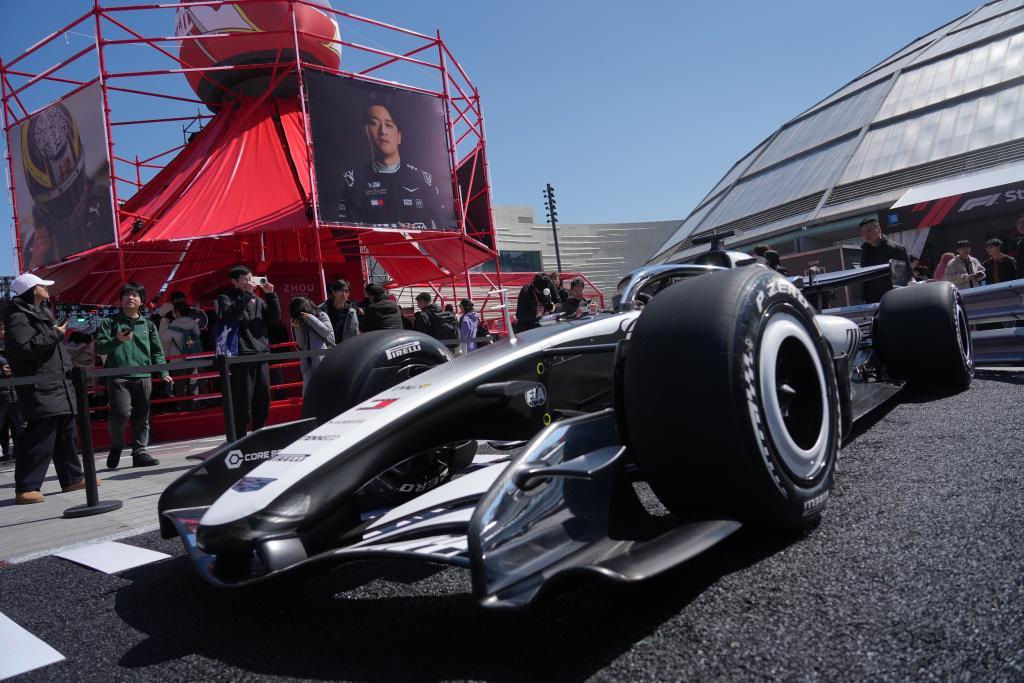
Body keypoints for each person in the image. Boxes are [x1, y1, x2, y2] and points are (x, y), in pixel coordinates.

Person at [5, 273, 87, 504]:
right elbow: (22, 349)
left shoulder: (38, 312)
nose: (47, 288)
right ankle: (26, 487)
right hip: (40, 386)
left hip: (56, 383)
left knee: (66, 433)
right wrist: (55, 334)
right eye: (42, 285)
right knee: (40, 436)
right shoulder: (17, 315)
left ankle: (72, 478)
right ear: (32, 289)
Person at [337, 97, 447, 229]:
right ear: (365, 131)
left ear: (399, 136)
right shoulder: (354, 181)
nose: (383, 131)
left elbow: (445, 229)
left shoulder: (424, 180)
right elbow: (347, 233)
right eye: (375, 123)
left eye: (389, 125)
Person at [94, 282, 171, 469]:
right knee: (120, 414)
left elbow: (157, 351)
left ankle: (140, 452)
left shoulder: (149, 325)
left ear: (142, 301)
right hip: (118, 375)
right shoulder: (110, 322)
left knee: (142, 416)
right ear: (121, 300)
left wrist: (163, 372)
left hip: (143, 375)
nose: (130, 297)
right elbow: (100, 347)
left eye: (135, 295)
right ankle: (117, 446)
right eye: (127, 294)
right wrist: (117, 340)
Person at [218, 265, 280, 437]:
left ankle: (259, 433)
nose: (249, 282)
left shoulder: (258, 300)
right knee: (243, 400)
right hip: (242, 356)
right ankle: (240, 437)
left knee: (263, 399)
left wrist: (271, 295)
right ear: (234, 282)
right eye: (244, 279)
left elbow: (274, 318)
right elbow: (230, 316)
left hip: (261, 354)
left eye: (250, 278)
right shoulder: (226, 298)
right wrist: (246, 295)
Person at [859, 218, 913, 303]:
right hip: (871, 302)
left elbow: (906, 277)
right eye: (863, 233)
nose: (866, 235)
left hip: (893, 300)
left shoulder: (895, 249)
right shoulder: (865, 251)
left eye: (869, 231)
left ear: (878, 230)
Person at [290, 296, 334, 394]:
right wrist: (297, 329)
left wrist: (311, 318)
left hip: (323, 363)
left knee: (325, 393)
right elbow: (301, 345)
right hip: (308, 365)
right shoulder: (301, 322)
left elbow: (326, 332)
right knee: (308, 394)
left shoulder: (321, 315)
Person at [0, 321, 23, 462]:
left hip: (15, 392)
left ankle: (22, 452)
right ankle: (5, 452)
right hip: (2, 394)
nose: (5, 331)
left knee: (21, 425)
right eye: (2, 329)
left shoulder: (13, 345)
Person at [320, 279, 360, 343]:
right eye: (340, 291)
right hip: (327, 346)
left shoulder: (351, 312)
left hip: (345, 347)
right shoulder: (323, 309)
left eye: (346, 291)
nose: (343, 294)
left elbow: (355, 332)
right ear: (334, 292)